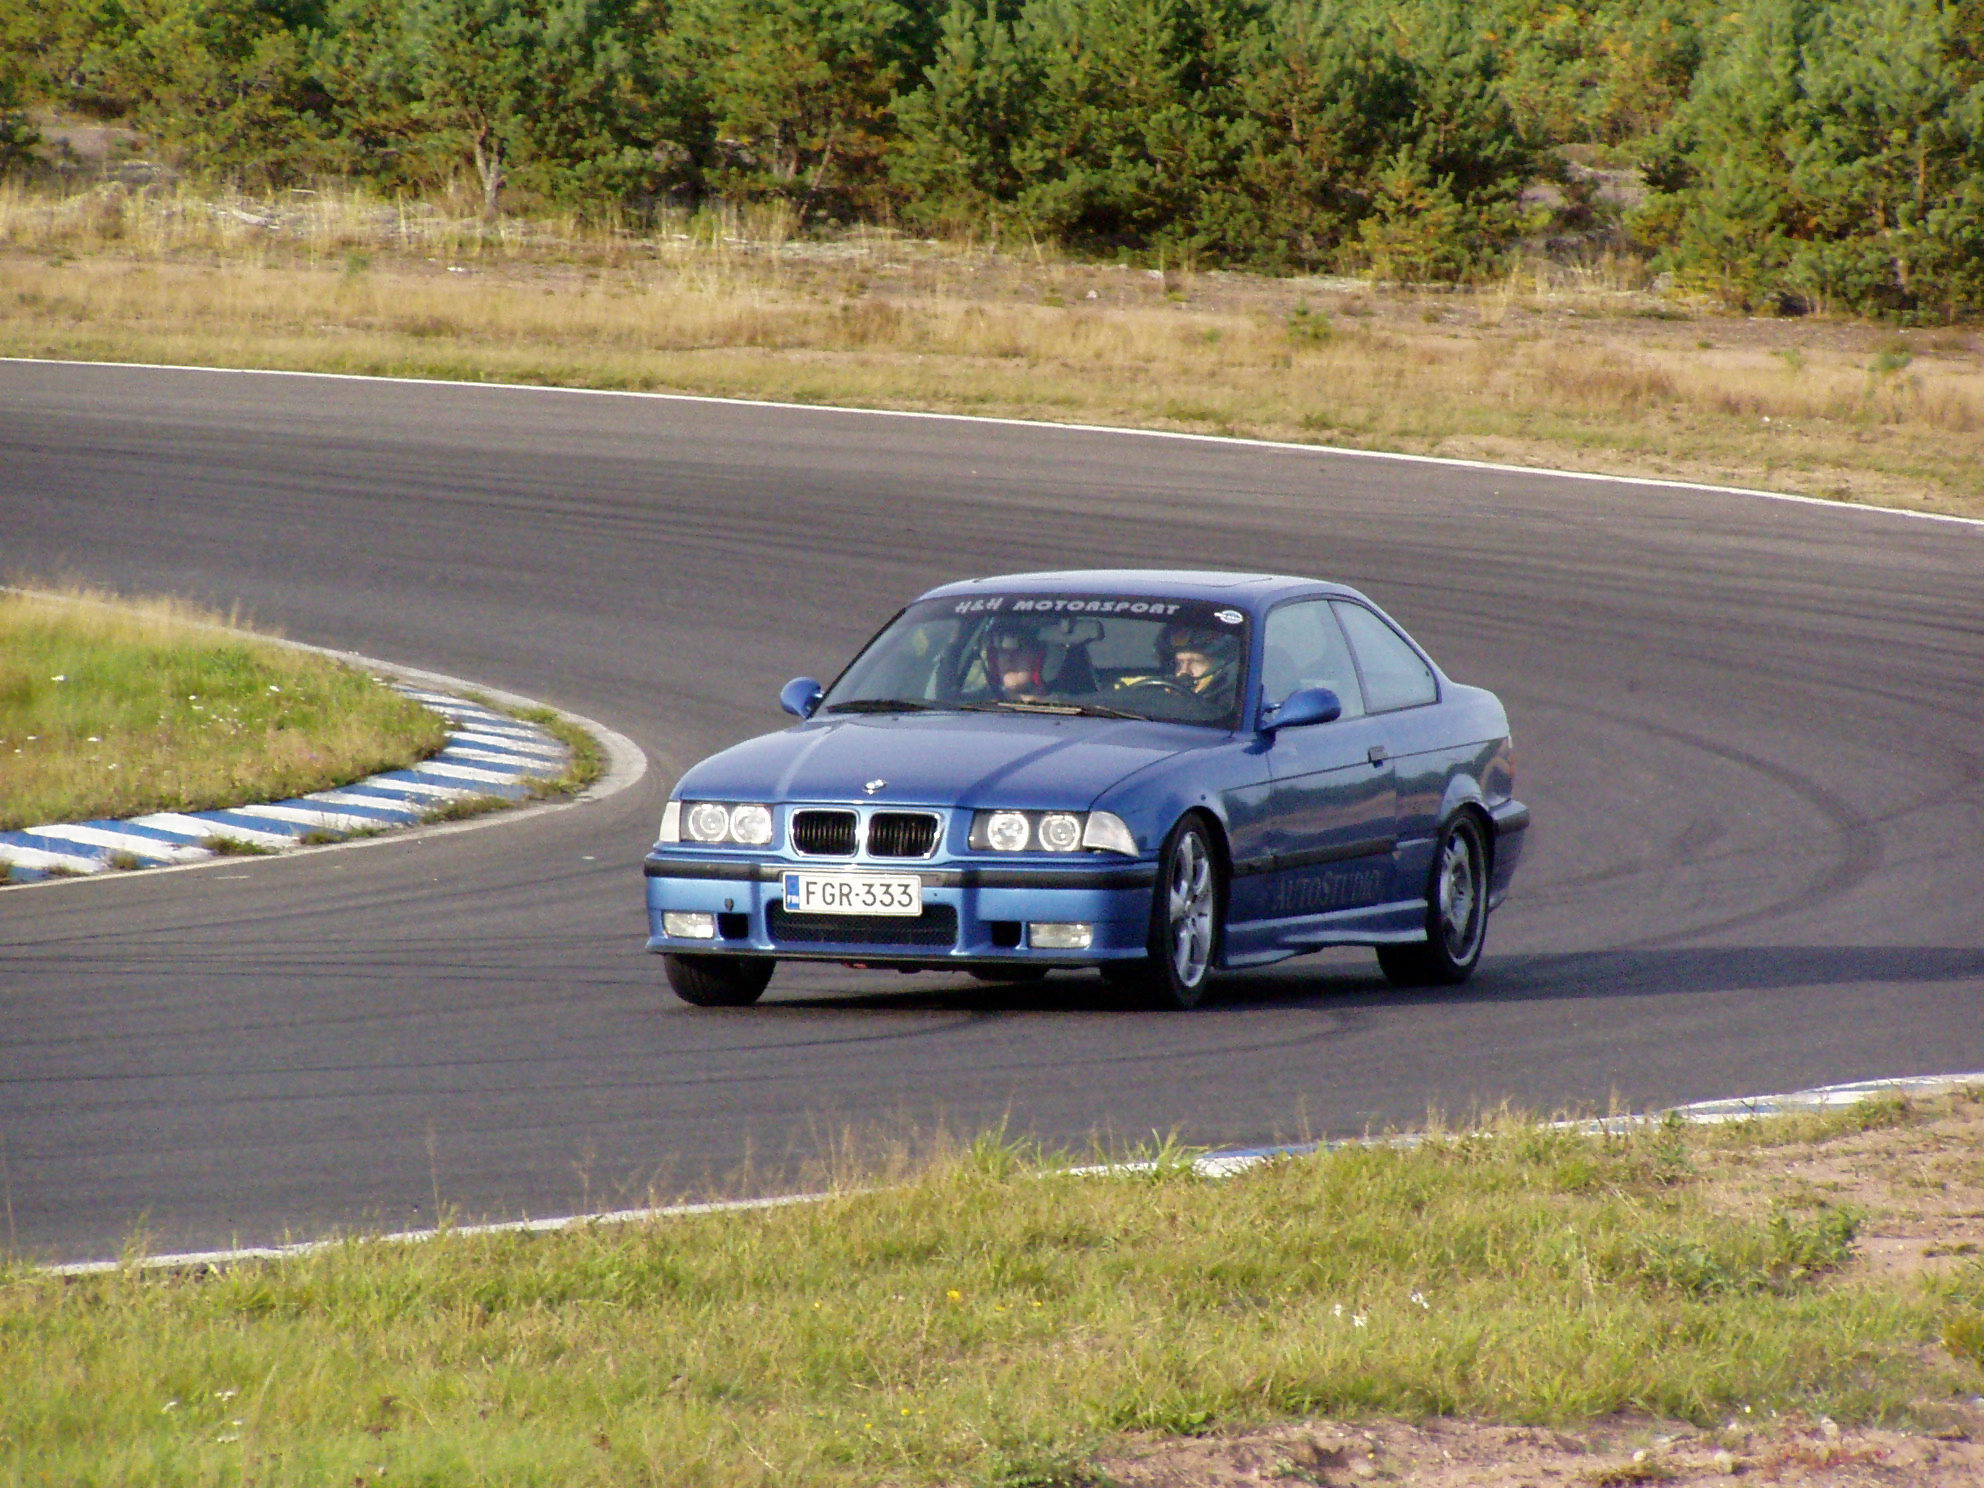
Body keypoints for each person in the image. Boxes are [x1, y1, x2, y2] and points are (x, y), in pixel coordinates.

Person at [1160, 620, 1241, 699]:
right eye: (1179, 663)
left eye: (1196, 662)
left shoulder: (1232, 706)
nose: (1183, 672)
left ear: (1223, 668)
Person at [981, 619, 1050, 699]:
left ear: (1038, 658)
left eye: (1019, 651)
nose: (1008, 658)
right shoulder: (974, 701)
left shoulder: (1064, 705)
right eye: (1002, 651)